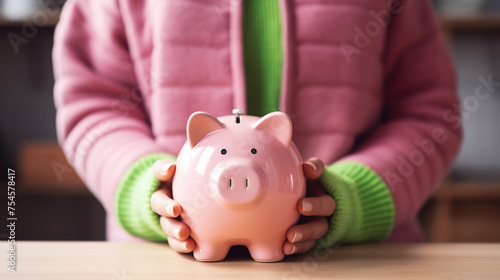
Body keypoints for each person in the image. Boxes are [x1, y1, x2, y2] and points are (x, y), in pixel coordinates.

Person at [53, 0, 462, 256]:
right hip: (161, 262)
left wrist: (358, 195)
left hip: (357, 261)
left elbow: (429, 113)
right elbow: (93, 104)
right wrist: (146, 186)